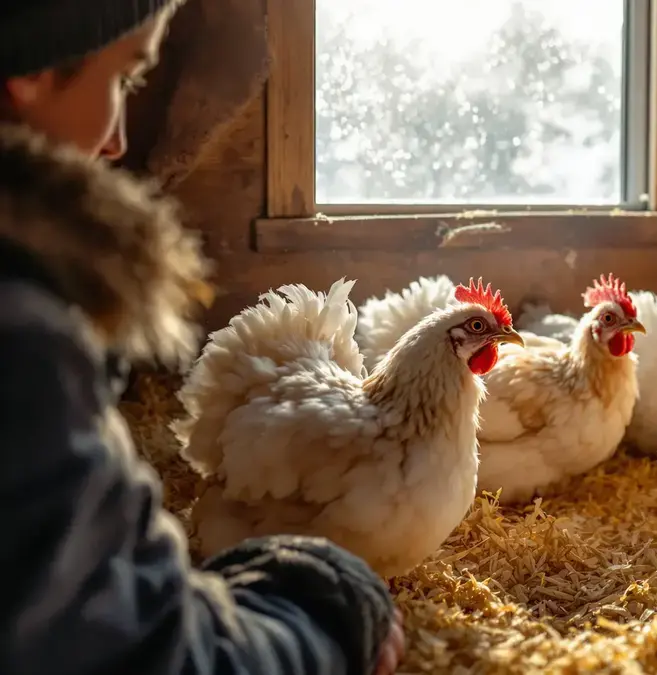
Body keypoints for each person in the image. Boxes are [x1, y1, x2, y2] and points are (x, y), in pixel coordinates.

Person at [0, 2, 407, 674]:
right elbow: (146, 656)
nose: (116, 143)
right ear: (35, 74)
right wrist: (322, 616)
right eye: (125, 80)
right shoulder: (22, 341)